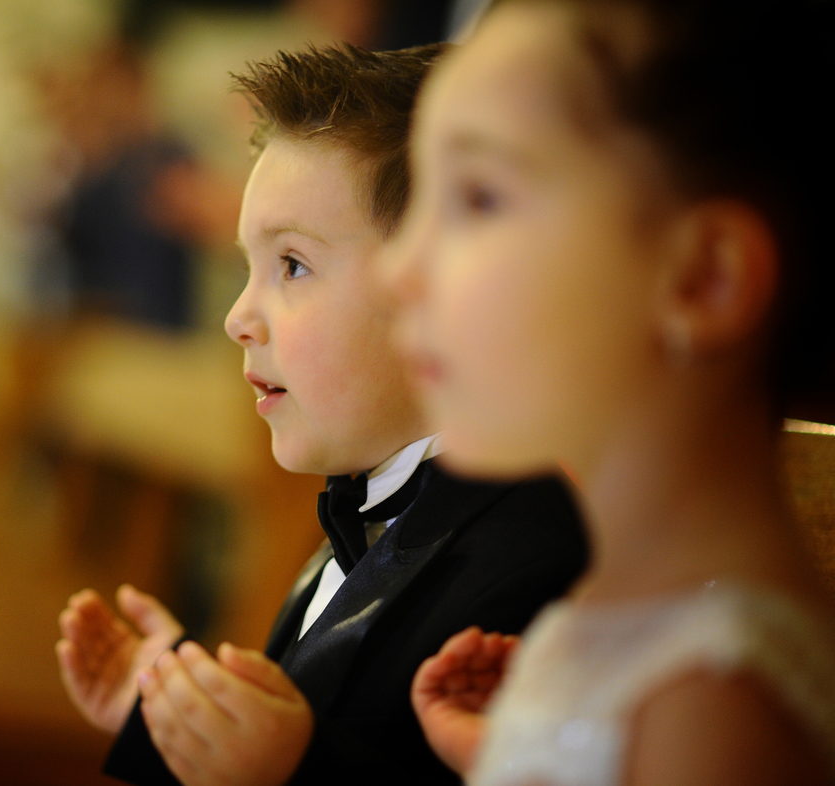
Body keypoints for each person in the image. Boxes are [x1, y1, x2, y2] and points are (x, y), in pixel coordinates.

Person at [57, 44, 588, 786]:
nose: (239, 317)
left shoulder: (536, 569)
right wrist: (180, 712)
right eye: (247, 267)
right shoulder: (355, 522)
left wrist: (296, 772)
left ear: (437, 290)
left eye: (293, 266)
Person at [388, 1, 835, 784]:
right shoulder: (621, 607)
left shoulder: (715, 703)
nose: (397, 270)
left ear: (704, 278)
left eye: (479, 198)